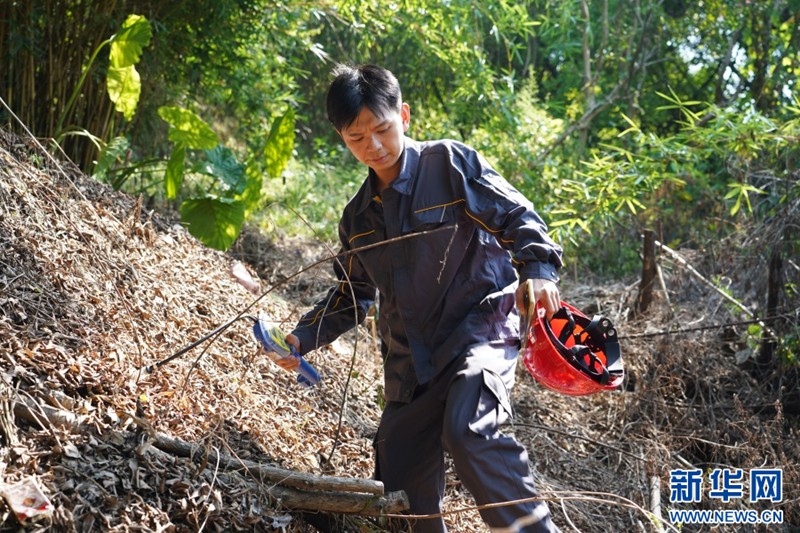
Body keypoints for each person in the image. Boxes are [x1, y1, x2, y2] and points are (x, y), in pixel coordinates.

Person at [286, 64, 563, 533]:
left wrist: (536, 270)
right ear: (341, 138)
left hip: (479, 331)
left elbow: (518, 215)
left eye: (381, 128)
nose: (372, 145)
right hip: (411, 363)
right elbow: (353, 295)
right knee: (399, 476)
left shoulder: (449, 164)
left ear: (404, 115)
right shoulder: (358, 219)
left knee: (468, 427)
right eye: (357, 138)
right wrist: (300, 338)